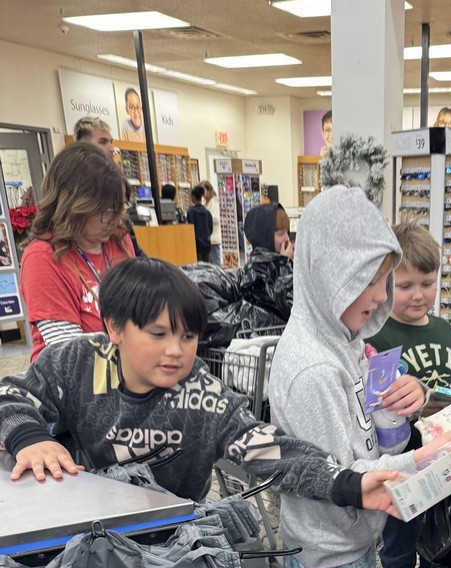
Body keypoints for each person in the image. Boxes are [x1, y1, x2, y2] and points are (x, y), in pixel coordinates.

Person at [269, 186, 451, 568]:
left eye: (386, 279)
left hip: (351, 538)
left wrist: (406, 395)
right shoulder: (314, 370)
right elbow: (346, 475)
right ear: (330, 273)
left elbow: (373, 423)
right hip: (327, 546)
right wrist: (428, 458)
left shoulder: (347, 340)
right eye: (369, 280)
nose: (381, 296)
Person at [0, 256, 406, 519]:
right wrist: (30, 438)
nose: (175, 351)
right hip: (81, 526)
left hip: (172, 537)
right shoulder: (75, 363)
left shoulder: (205, 397)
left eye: (188, 336)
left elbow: (270, 449)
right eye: (158, 334)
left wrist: (347, 483)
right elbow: (10, 395)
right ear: (114, 327)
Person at [367, 220, 451, 568]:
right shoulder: (378, 336)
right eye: (405, 285)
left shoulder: (445, 332)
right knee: (396, 553)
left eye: (427, 283)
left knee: (437, 551)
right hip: (401, 469)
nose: (418, 295)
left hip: (445, 467)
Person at [19, 142, 137, 362]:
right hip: (74, 374)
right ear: (74, 205)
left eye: (120, 207)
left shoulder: (118, 239)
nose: (115, 218)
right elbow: (69, 354)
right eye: (106, 210)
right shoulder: (43, 257)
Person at [241, 201, 294, 324]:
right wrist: (284, 264)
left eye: (287, 232)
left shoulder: (272, 263)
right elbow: (289, 307)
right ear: (264, 236)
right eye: (281, 233)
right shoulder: (258, 271)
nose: (287, 238)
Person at [187, 184, 213, 263]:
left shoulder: (191, 212)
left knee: (198, 267)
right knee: (207, 266)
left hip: (196, 245)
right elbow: (210, 229)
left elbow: (190, 229)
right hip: (206, 244)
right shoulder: (207, 212)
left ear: (193, 197)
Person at [200, 180, 222, 266]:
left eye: (203, 191)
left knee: (216, 262)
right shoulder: (206, 202)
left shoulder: (214, 201)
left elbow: (216, 218)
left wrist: (205, 216)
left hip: (214, 238)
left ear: (208, 190)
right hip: (209, 238)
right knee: (212, 263)